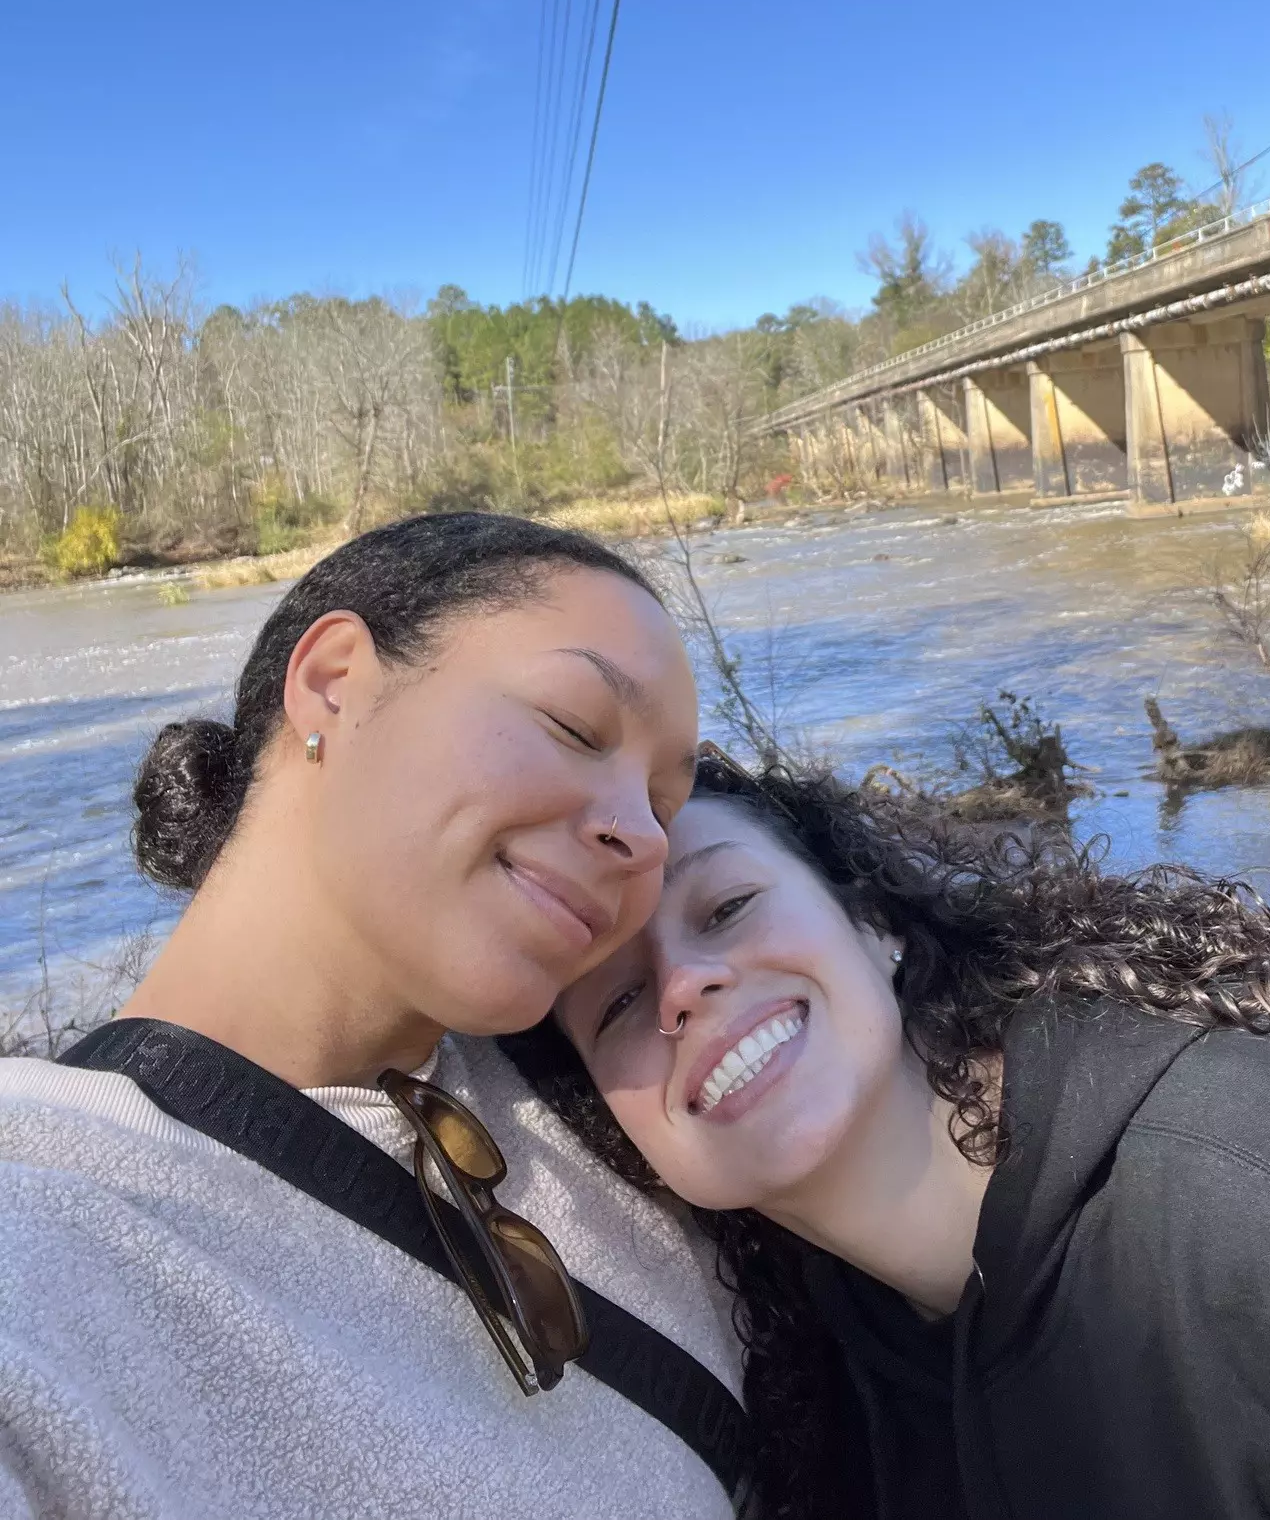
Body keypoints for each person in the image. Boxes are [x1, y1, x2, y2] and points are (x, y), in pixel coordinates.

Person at [518, 752, 1270, 1520]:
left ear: (873, 921)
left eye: (728, 904)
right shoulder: (831, 1414)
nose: (683, 987)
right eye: (614, 1002)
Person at [0, 513, 746, 1520]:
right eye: (574, 726)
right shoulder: (45, 1226)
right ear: (335, 680)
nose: (640, 838)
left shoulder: (629, 1069)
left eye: (664, 802)